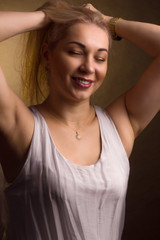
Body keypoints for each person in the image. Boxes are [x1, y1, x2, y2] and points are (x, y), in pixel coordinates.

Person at [0, 1, 160, 239]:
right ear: (47, 55)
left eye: (100, 57)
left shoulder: (119, 125)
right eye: (75, 52)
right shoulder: (21, 127)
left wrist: (106, 22)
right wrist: (48, 18)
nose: (88, 67)